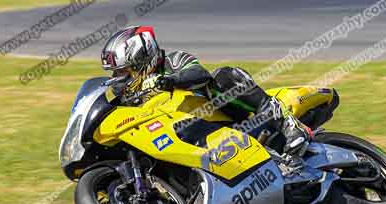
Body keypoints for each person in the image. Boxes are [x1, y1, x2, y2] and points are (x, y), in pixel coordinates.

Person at [100, 25, 311, 152]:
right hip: (185, 140)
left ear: (141, 60)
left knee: (223, 76)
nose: (119, 78)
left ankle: (287, 124)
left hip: (232, 119)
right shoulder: (130, 94)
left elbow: (198, 74)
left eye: (123, 71)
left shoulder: (173, 61)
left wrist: (171, 81)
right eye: (116, 73)